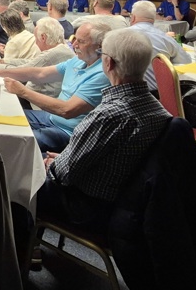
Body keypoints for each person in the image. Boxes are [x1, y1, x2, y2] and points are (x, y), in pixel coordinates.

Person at [36, 28, 172, 232]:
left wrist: (51, 162)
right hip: (125, 207)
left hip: (85, 206)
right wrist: (64, 158)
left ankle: (20, 250)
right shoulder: (160, 111)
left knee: (12, 174)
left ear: (108, 63)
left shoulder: (107, 115)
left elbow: (63, 174)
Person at [0, 22, 112, 154]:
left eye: (81, 42)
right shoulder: (79, 60)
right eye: (75, 39)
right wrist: (1, 72)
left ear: (99, 47)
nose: (75, 45)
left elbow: (67, 110)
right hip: (51, 118)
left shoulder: (102, 74)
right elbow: (40, 73)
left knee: (13, 141)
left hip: (67, 132)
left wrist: (23, 92)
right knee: (3, 118)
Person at [0, 18, 74, 99]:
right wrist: (1, 61)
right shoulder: (61, 47)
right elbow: (31, 62)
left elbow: (24, 71)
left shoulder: (54, 53)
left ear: (43, 37)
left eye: (36, 39)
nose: (36, 43)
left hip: (35, 103)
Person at [129, 1, 191, 91]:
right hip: (158, 94)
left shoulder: (119, 36)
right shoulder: (166, 38)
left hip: (126, 91)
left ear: (133, 17)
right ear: (153, 19)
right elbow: (186, 61)